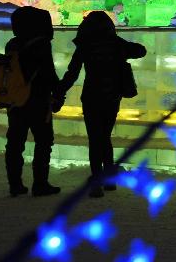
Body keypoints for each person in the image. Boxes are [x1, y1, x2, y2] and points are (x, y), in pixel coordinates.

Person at [57, 11, 146, 197]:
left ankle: (97, 180)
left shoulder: (85, 45)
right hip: (112, 95)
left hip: (91, 95)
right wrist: (117, 45)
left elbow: (72, 72)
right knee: (105, 136)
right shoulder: (116, 44)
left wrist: (59, 90)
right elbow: (141, 50)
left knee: (95, 138)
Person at [0, 6, 62, 197]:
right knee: (44, 141)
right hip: (38, 100)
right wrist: (58, 93)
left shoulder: (12, 44)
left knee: (15, 143)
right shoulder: (41, 44)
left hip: (16, 101)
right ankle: (40, 184)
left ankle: (15, 185)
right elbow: (48, 72)